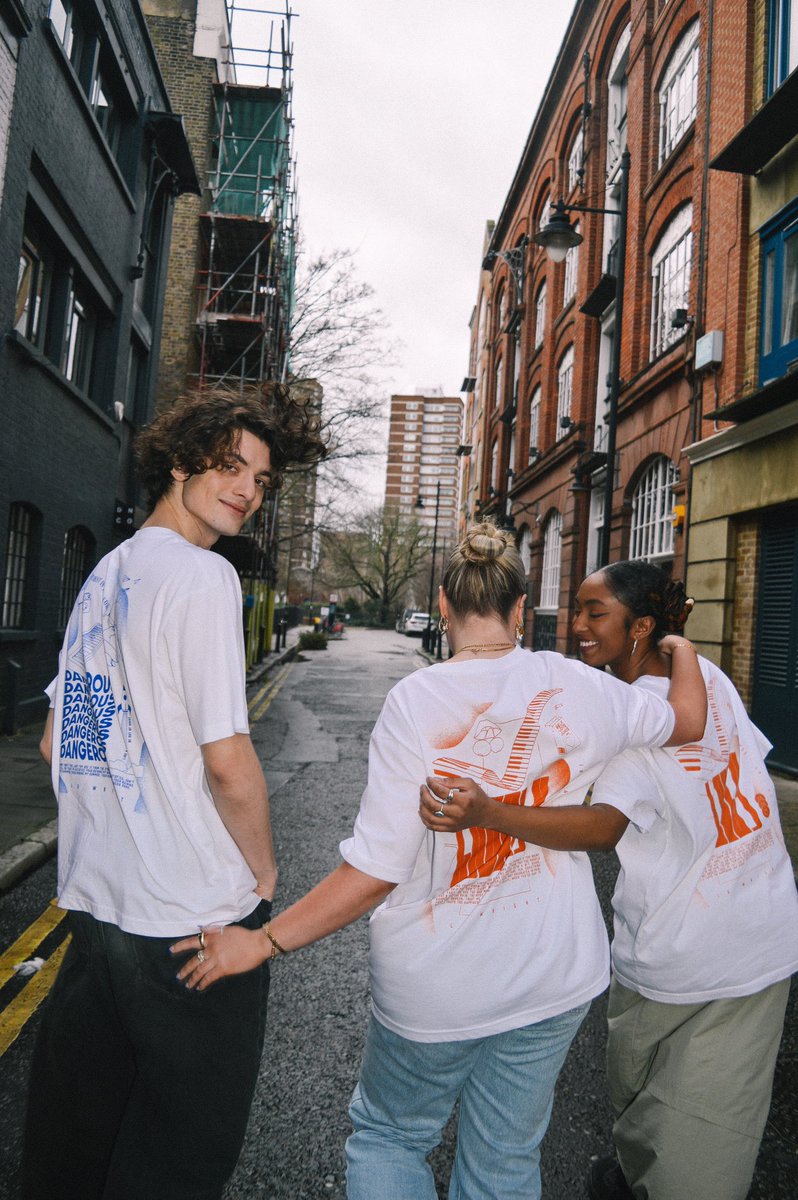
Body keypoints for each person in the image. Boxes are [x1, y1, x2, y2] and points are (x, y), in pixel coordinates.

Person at [172, 523, 706, 1200]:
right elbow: (687, 720)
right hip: (553, 973)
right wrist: (680, 648)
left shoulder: (415, 704)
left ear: (447, 610)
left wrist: (262, 940)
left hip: (437, 984)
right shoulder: (583, 686)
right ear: (519, 611)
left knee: (392, 1137)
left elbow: (374, 872)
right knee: (506, 1159)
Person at [22, 386, 325, 1200]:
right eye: (232, 466)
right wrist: (260, 878)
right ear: (184, 460)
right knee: (183, 1153)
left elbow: (61, 739)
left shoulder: (107, 572)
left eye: (261, 478)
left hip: (98, 905)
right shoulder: (201, 577)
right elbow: (227, 760)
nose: (248, 490)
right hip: (190, 921)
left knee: (77, 1134)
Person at [421, 559, 798, 1200]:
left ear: (642, 624)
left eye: (597, 613)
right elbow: (743, 766)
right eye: (579, 608)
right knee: (646, 1097)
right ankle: (631, 1181)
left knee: (698, 1147)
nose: (578, 624)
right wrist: (679, 650)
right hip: (712, 937)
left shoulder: (631, 721)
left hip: (719, 949)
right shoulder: (704, 678)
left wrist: (487, 811)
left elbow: (603, 826)